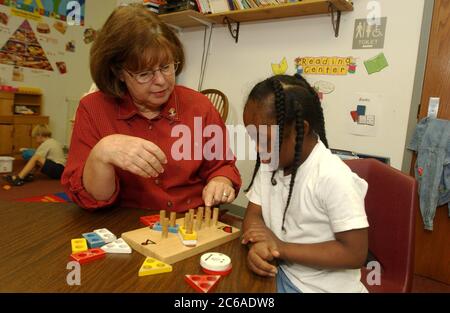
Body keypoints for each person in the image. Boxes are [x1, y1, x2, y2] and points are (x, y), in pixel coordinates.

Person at [61, 4, 241, 211]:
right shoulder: (93, 109)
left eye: (166, 67)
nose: (161, 81)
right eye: (144, 73)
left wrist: (221, 181)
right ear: (119, 72)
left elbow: (223, 166)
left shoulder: (200, 106)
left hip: (190, 222)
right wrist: (102, 153)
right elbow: (94, 199)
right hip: (124, 225)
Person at [241, 74, 369, 293]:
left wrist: (280, 248)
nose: (258, 150)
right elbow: (253, 215)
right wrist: (258, 246)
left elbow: (355, 253)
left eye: (266, 141)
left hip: (320, 288)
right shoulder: (270, 162)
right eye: (254, 139)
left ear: (301, 129)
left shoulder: (333, 176)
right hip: (282, 273)